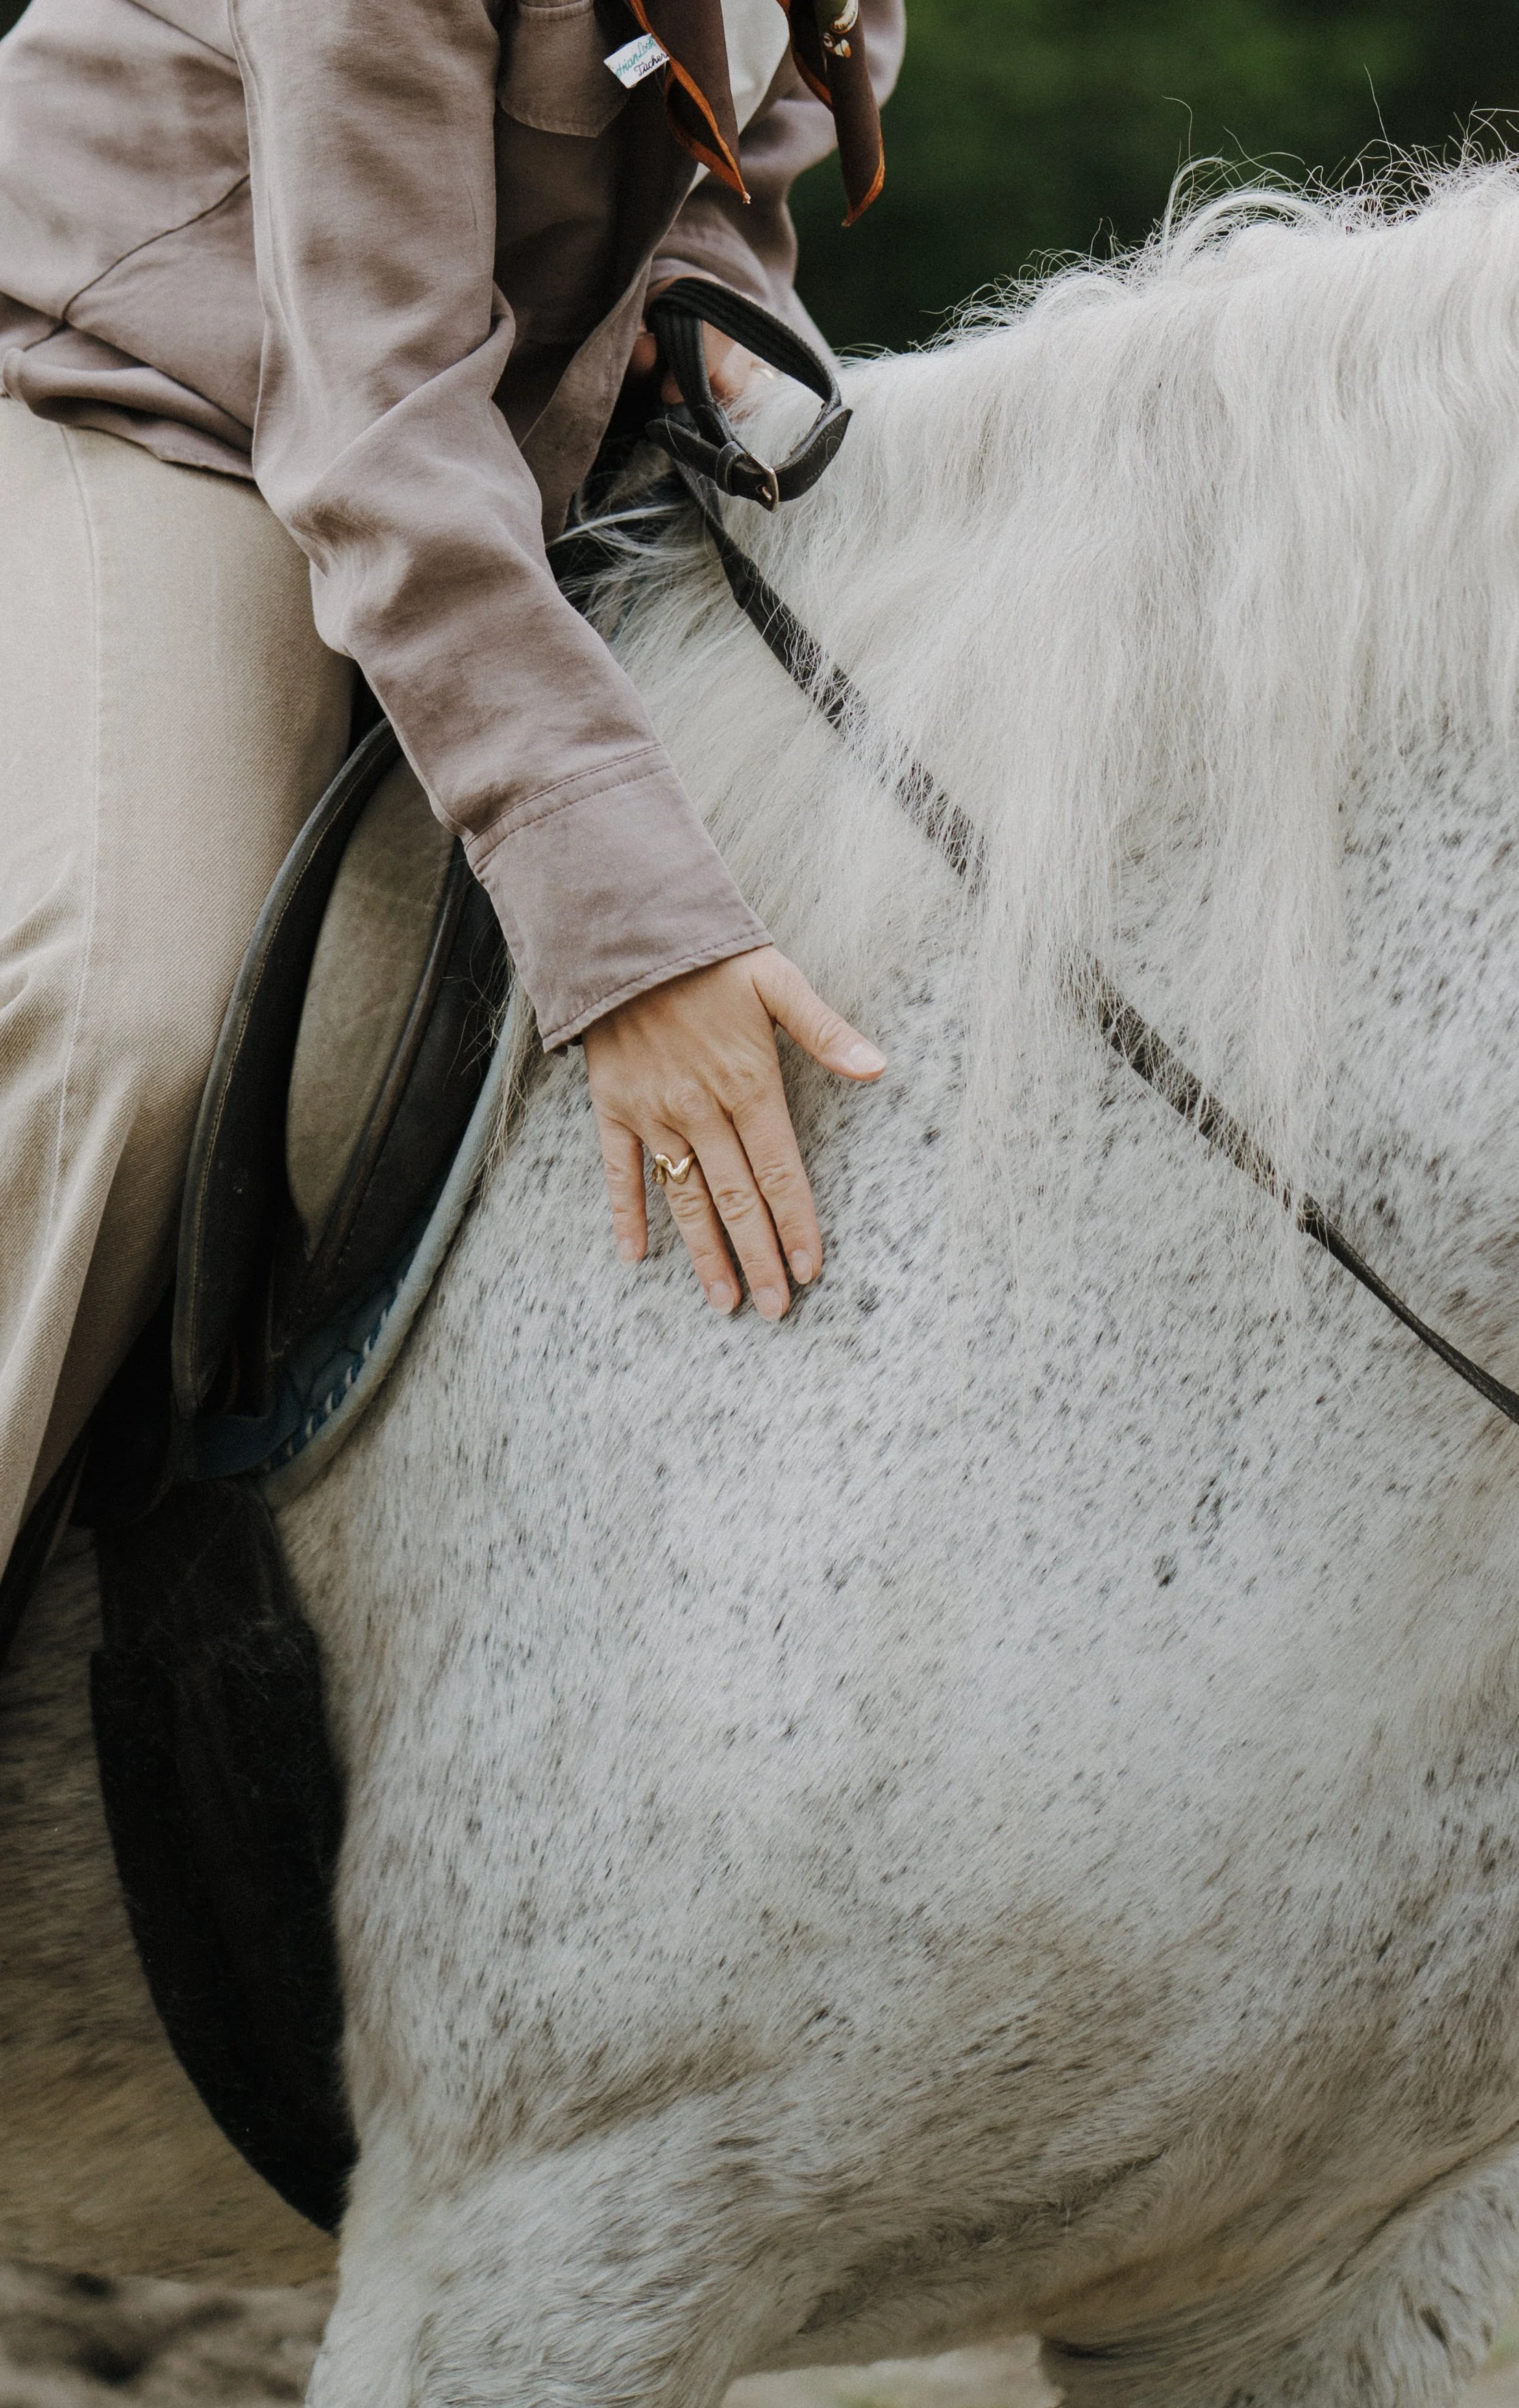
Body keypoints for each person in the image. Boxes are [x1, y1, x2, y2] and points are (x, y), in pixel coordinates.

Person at [0, 0, 903, 1576]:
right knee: (121, 1024)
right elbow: (380, 429)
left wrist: (691, 288)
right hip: (158, 381)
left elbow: (728, 134)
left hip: (496, 414)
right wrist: (631, 935)